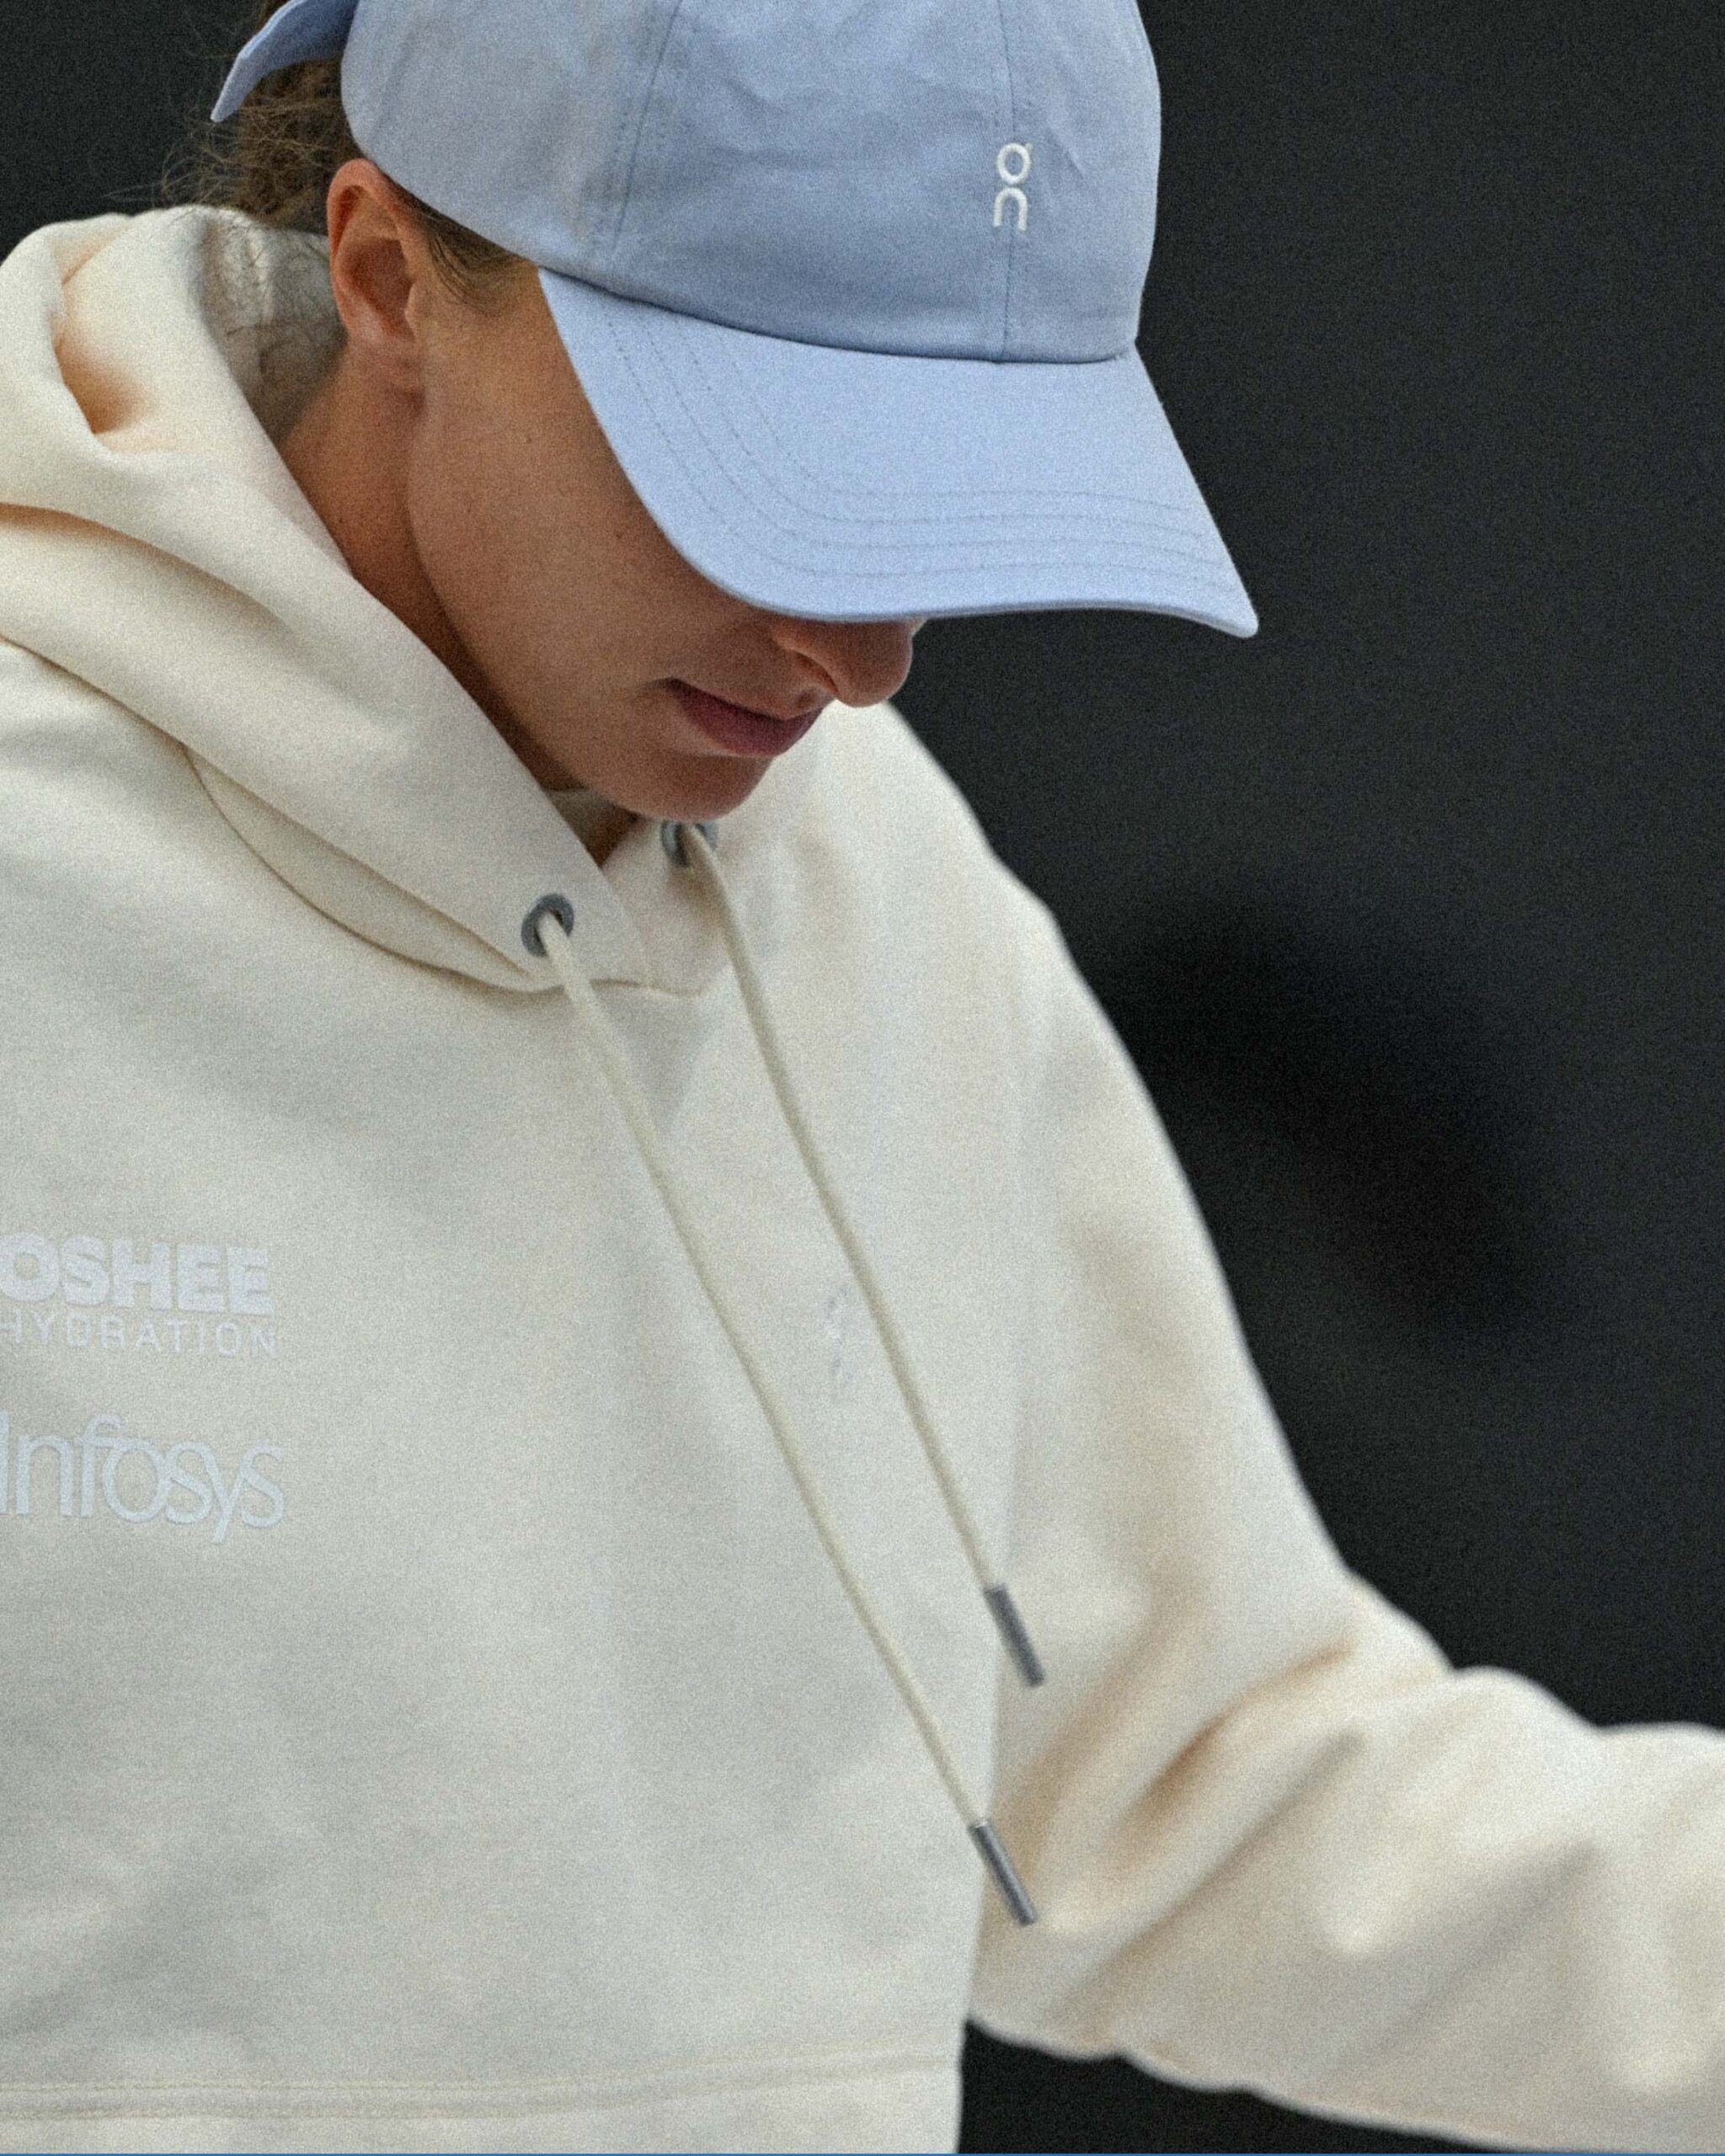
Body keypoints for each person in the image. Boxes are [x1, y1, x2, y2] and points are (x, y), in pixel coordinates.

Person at [0, 0, 1718, 2151]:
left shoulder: (872, 878)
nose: (864, 656)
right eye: (772, 480)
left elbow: (1192, 1788)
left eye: (944, 502)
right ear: (385, 271)